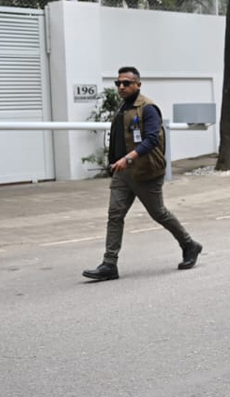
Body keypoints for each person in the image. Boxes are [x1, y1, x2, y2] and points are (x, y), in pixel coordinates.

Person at [82, 67, 202, 281]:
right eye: (118, 83)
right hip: (122, 173)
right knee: (115, 215)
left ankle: (189, 245)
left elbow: (152, 140)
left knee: (159, 213)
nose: (121, 87)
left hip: (145, 171)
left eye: (126, 83)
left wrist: (127, 158)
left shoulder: (148, 108)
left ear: (138, 84)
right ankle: (109, 264)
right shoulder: (123, 107)